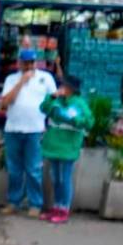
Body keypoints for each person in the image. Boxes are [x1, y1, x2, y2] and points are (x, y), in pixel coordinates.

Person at [0, 50, 58, 217]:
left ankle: (35, 203)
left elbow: (54, 99)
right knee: (14, 168)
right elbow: (4, 102)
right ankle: (13, 201)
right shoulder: (11, 79)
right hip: (13, 129)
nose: (29, 66)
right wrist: (21, 83)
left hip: (35, 129)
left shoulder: (45, 78)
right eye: (25, 63)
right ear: (20, 63)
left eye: (31, 62)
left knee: (33, 168)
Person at [39, 76, 93, 224]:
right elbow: (43, 108)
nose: (62, 88)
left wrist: (73, 119)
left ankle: (64, 209)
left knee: (65, 178)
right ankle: (56, 207)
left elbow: (88, 122)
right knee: (56, 178)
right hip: (53, 144)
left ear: (72, 89)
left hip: (68, 146)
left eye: (65, 86)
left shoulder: (80, 104)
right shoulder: (57, 100)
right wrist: (51, 97)